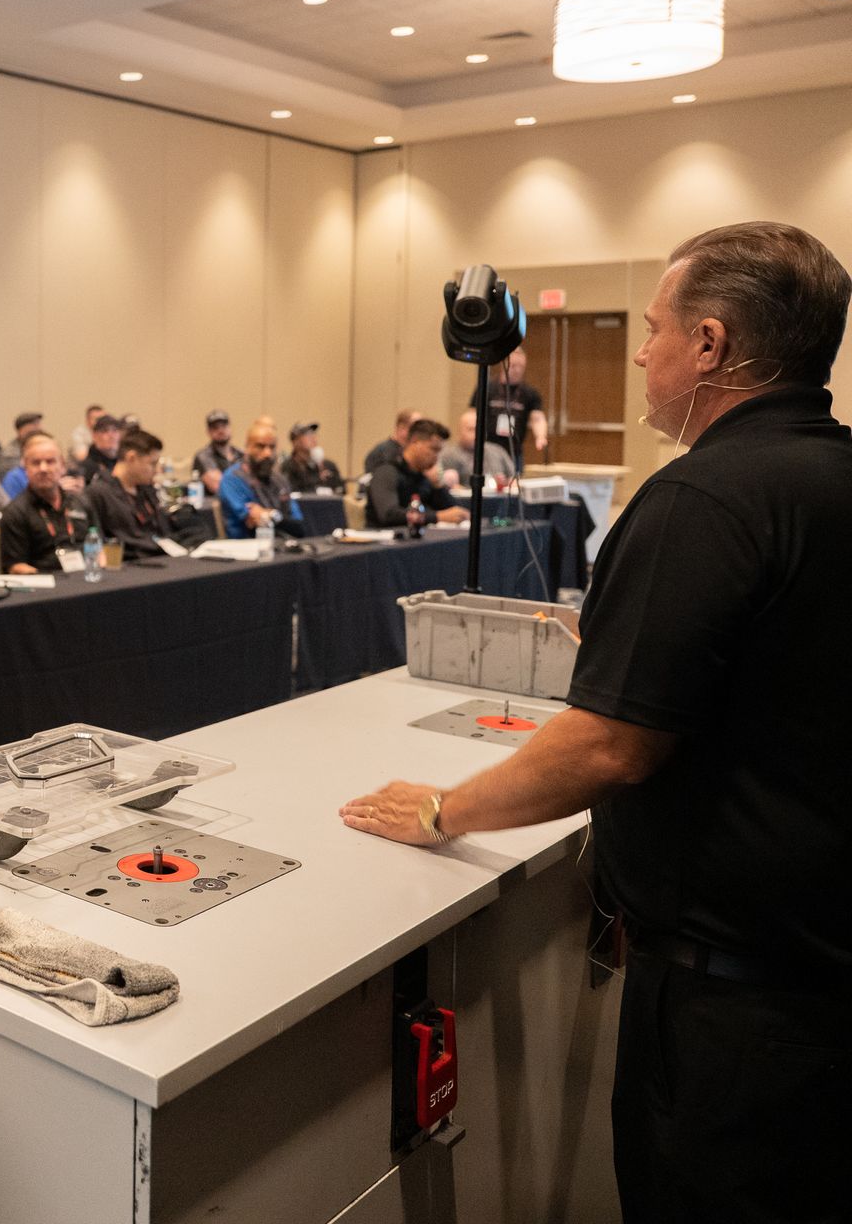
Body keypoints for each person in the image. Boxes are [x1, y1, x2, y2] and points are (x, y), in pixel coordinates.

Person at [341, 221, 852, 1223]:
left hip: (735, 1016)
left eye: (655, 331)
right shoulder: (825, 475)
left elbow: (611, 743)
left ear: (710, 344)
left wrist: (445, 807)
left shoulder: (704, 495)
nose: (645, 355)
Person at [0, 433, 90, 573]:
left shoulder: (81, 502)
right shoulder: (14, 513)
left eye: (50, 461)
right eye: (35, 463)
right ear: (26, 469)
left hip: (88, 579)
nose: (43, 469)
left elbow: (99, 546)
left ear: (63, 466)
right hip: (46, 586)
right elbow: (15, 566)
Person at [86, 429, 180, 559]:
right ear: (131, 458)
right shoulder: (98, 493)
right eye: (152, 463)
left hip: (162, 558)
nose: (157, 470)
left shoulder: (146, 490)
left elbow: (164, 531)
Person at [365, 418, 468, 530]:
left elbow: (457, 512)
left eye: (439, 451)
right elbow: (389, 515)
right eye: (433, 449)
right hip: (384, 541)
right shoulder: (387, 471)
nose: (436, 457)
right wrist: (437, 517)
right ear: (415, 442)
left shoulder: (424, 476)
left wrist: (438, 485)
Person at [219, 421, 303, 538]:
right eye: (260, 446)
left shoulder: (280, 480)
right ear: (247, 448)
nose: (267, 453)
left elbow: (299, 527)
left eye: (272, 447)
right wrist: (277, 519)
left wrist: (272, 515)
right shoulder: (232, 479)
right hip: (245, 548)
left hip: (284, 547)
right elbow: (256, 523)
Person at [471, 346, 548, 467]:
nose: (517, 370)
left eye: (521, 367)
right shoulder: (487, 387)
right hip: (488, 449)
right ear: (504, 364)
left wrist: (541, 437)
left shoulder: (529, 393)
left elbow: (537, 418)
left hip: (514, 450)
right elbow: (472, 415)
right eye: (513, 366)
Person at [440, 408, 515, 490]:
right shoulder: (449, 455)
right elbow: (446, 486)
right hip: (465, 500)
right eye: (471, 429)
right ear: (459, 431)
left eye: (480, 429)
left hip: (498, 499)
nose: (476, 434)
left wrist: (504, 484)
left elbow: (513, 479)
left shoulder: (498, 451)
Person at [280, 421, 344, 495]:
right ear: (295, 442)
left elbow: (340, 491)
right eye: (307, 435)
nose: (313, 437)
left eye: (313, 434)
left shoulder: (326, 466)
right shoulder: (287, 467)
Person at [363, 409, 421, 476]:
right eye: (417, 429)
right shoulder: (384, 452)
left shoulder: (406, 450)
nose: (420, 434)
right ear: (402, 428)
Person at [77, 414, 124, 484]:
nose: (111, 436)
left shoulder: (124, 463)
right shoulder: (86, 468)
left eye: (115, 430)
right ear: (94, 436)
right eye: (105, 431)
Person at [0, 411, 42, 478]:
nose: (37, 436)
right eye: (32, 432)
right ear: (20, 430)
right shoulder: (9, 454)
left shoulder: (38, 448)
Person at [191, 411, 237, 478]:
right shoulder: (203, 457)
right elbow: (218, 485)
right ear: (208, 432)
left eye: (224, 426)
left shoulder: (241, 454)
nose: (220, 431)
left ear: (230, 428)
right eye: (215, 428)